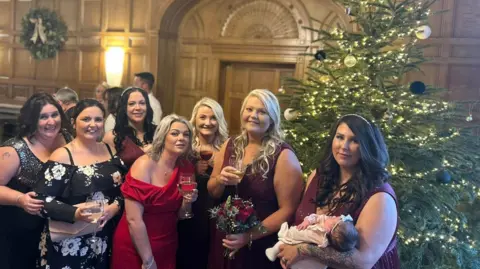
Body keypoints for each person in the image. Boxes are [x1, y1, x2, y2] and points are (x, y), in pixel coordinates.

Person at [277, 114, 399, 269]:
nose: (344, 146)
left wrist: (304, 250)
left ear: (367, 146)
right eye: (340, 137)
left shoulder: (380, 197)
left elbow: (364, 261)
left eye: (354, 140)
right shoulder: (317, 176)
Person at [207, 89, 304, 269]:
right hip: (225, 239)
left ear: (272, 118)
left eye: (262, 112)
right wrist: (220, 180)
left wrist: (248, 236)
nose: (253, 115)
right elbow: (212, 190)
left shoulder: (283, 155)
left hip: (259, 243)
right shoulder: (229, 145)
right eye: (249, 109)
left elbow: (288, 210)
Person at [34, 99, 126, 269]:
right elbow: (41, 201)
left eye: (98, 120)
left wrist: (115, 208)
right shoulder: (62, 156)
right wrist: (75, 213)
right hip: (69, 241)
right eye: (86, 119)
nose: (93, 124)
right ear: (73, 123)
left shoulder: (109, 150)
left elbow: (125, 190)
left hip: (104, 237)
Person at [111, 114, 197, 269]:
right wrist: (148, 260)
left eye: (186, 134)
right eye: (175, 133)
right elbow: (133, 219)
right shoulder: (144, 165)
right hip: (136, 245)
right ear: (163, 136)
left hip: (167, 243)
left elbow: (181, 215)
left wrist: (187, 202)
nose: (182, 138)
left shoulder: (186, 167)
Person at [0, 93, 72, 269]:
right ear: (32, 120)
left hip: (58, 229)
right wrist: (20, 199)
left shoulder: (68, 139)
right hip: (19, 232)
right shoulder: (14, 150)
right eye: (43, 117)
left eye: (54, 115)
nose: (51, 122)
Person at [177, 97, 228, 269]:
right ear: (195, 120)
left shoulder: (226, 149)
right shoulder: (185, 147)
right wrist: (193, 170)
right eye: (203, 117)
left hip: (217, 213)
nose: (208, 122)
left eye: (213, 118)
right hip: (192, 214)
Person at [266, 214, 358, 269]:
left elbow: (319, 245)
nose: (334, 216)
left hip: (297, 239)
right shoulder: (325, 223)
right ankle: (275, 249)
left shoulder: (323, 240)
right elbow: (315, 217)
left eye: (336, 218)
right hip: (298, 245)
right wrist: (307, 221)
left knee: (290, 236)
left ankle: (284, 234)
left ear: (329, 229)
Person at [103, 87, 156, 170]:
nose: (138, 108)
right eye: (131, 104)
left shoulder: (158, 133)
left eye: (142, 103)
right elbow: (106, 170)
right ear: (124, 108)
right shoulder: (112, 136)